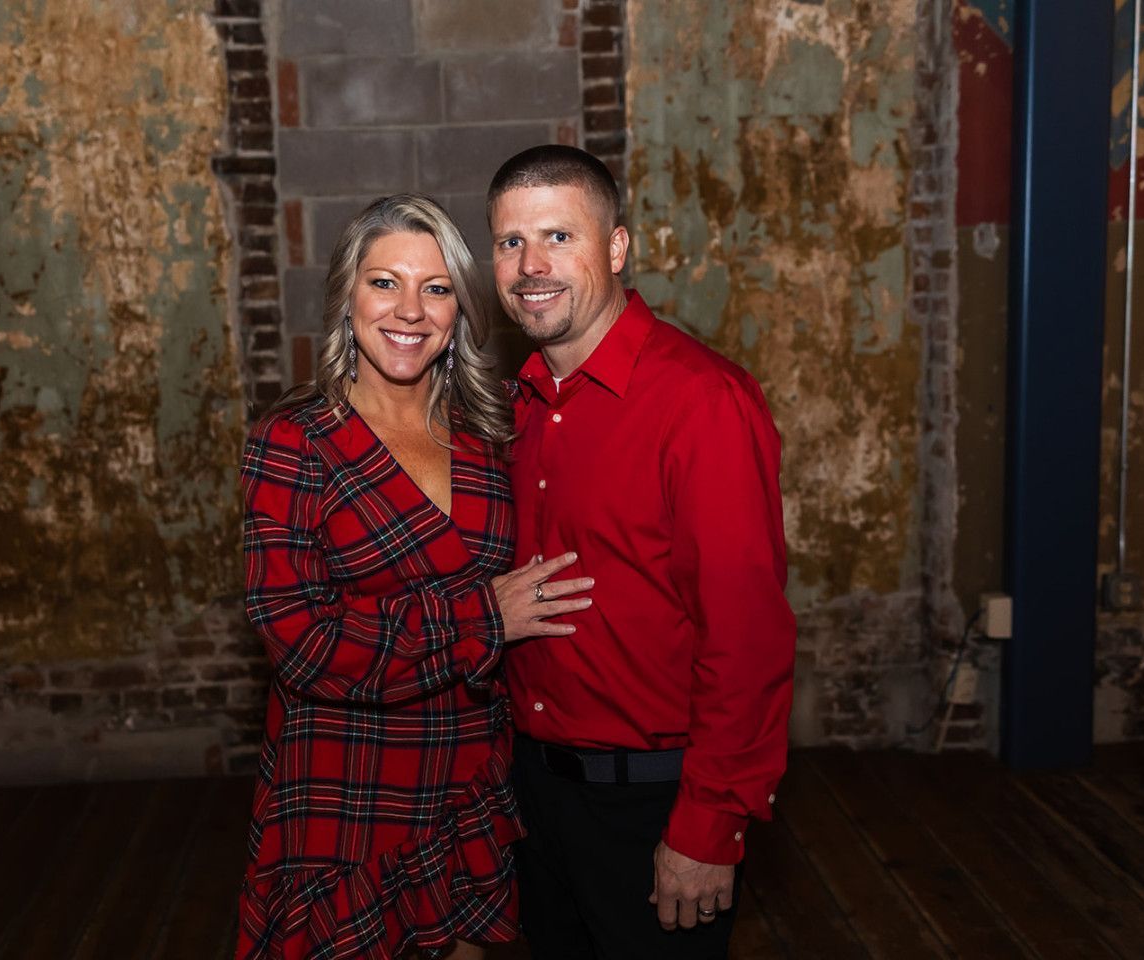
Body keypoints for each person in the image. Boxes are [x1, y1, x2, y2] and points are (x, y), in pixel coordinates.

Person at [235, 194, 591, 960]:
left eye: (435, 288)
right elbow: (301, 645)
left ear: (460, 311)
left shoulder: (490, 431)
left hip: (468, 782)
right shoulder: (295, 441)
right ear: (347, 296)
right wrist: (479, 619)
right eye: (384, 282)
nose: (409, 310)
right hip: (346, 789)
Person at [488, 145, 796, 959]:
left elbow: (747, 638)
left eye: (558, 236)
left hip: (651, 805)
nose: (530, 266)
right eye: (510, 242)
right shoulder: (518, 407)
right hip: (533, 796)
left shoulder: (700, 401)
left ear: (617, 246)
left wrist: (708, 826)